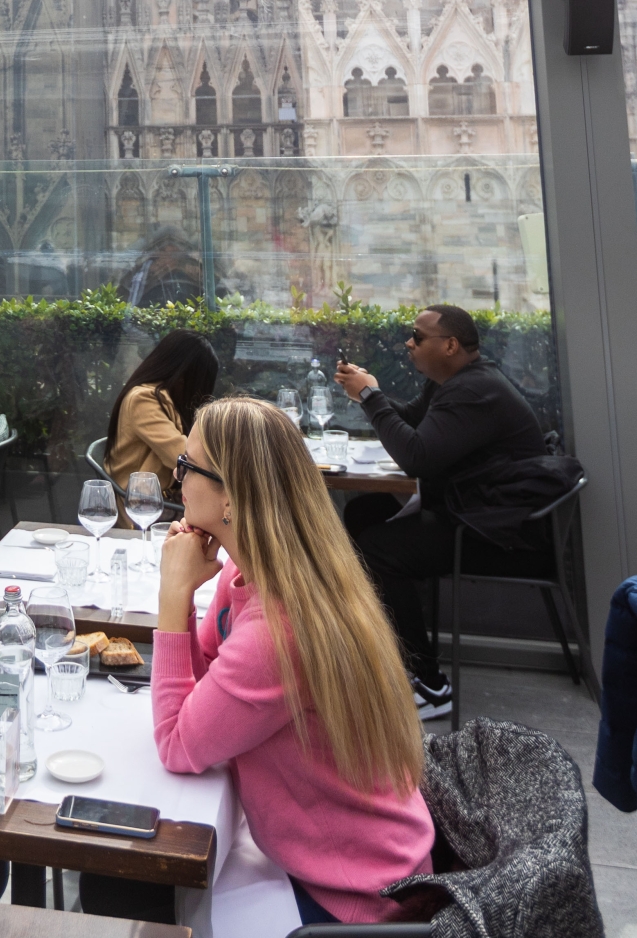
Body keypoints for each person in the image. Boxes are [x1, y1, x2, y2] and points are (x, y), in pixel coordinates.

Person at [150, 395, 434, 928]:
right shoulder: (264, 577)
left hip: (351, 901)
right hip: (364, 862)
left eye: (187, 466)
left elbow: (177, 743)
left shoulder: (278, 631)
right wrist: (190, 595)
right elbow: (206, 687)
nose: (174, 474)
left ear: (230, 496)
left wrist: (173, 597)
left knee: (143, 894)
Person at [337, 303, 558, 720]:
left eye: (418, 337)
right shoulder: (453, 384)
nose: (409, 342)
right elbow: (411, 427)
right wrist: (371, 392)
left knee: (378, 548)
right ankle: (392, 654)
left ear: (451, 345)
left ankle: (431, 684)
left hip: (500, 534)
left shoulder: (475, 391)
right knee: (364, 512)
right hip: (475, 513)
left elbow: (416, 456)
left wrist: (370, 395)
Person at [105, 328, 218, 500]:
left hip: (160, 499)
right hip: (142, 506)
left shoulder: (164, 397)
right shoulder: (143, 399)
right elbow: (182, 457)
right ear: (184, 376)